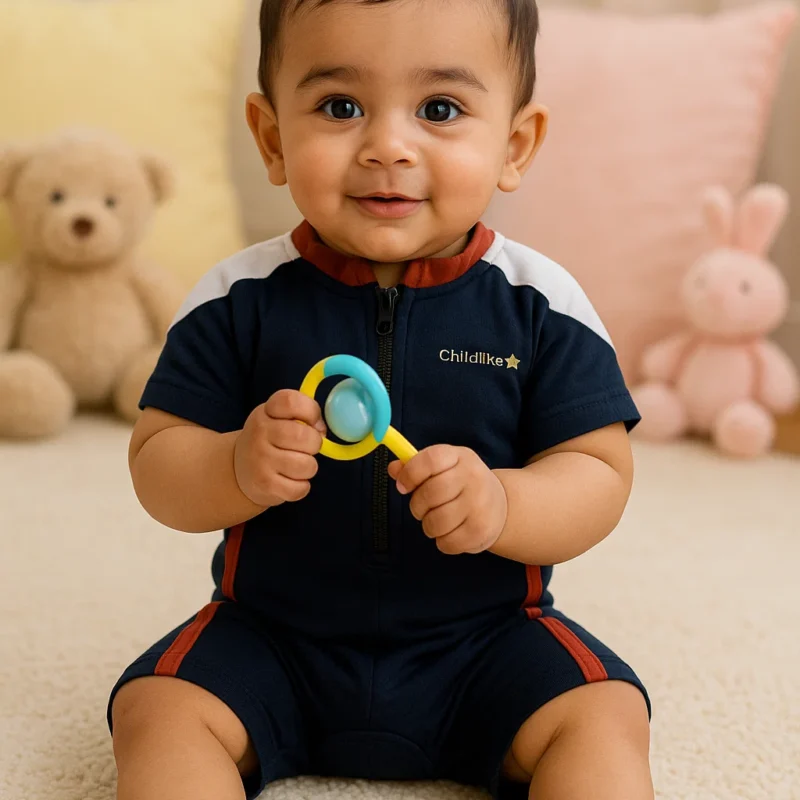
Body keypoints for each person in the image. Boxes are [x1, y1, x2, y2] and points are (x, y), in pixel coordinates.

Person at [108, 1, 654, 798]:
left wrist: (504, 503)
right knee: (156, 708)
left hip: (486, 642)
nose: (388, 147)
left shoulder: (541, 306)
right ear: (272, 137)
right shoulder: (237, 298)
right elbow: (157, 461)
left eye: (440, 109)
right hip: (271, 637)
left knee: (606, 712)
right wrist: (235, 464)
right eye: (341, 107)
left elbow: (600, 473)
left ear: (514, 145)